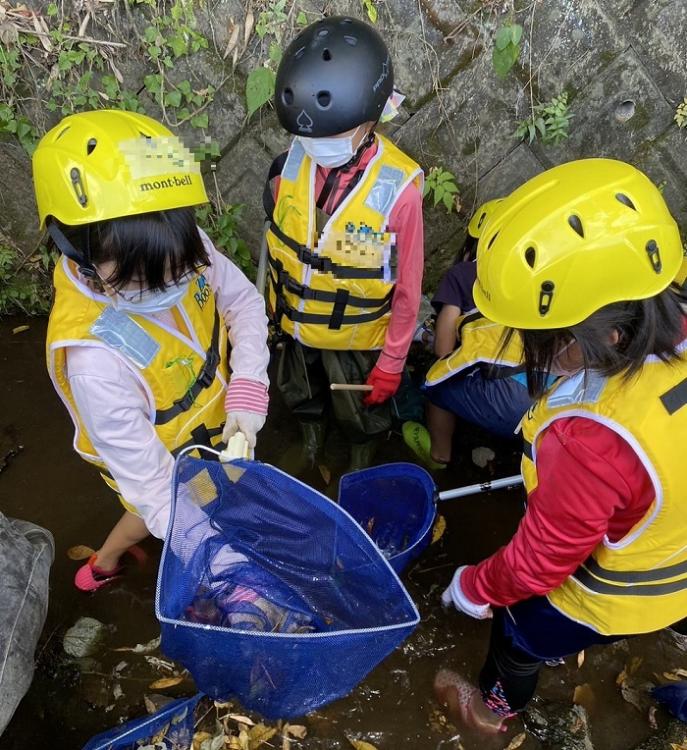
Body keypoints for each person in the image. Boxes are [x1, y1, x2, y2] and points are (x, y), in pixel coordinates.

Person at [436, 158, 687, 732]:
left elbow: (542, 563)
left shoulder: (590, 440)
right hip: (677, 542)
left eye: (550, 340)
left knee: (519, 633)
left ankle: (491, 716)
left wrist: (475, 587)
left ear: (610, 337)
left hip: (619, 591)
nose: (537, 349)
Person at [33, 110, 270, 591]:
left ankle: (107, 559)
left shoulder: (178, 249)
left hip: (210, 428)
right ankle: (104, 564)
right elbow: (157, 492)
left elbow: (244, 303)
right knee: (145, 512)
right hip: (155, 464)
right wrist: (223, 568)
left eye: (181, 267)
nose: (174, 285)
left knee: (202, 490)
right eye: (144, 279)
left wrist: (247, 385)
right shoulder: (96, 364)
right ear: (79, 251)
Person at [265, 16, 424, 471]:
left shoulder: (398, 193)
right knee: (300, 389)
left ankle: (360, 453)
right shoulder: (296, 157)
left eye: (329, 135)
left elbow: (407, 288)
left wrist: (392, 361)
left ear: (368, 121)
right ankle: (311, 435)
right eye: (306, 134)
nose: (315, 144)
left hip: (353, 333)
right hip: (296, 322)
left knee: (359, 408)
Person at [403, 201, 537, 469]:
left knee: (437, 380)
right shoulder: (533, 276)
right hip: (553, 396)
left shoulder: (463, 275)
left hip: (510, 402)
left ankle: (439, 456)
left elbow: (443, 349)